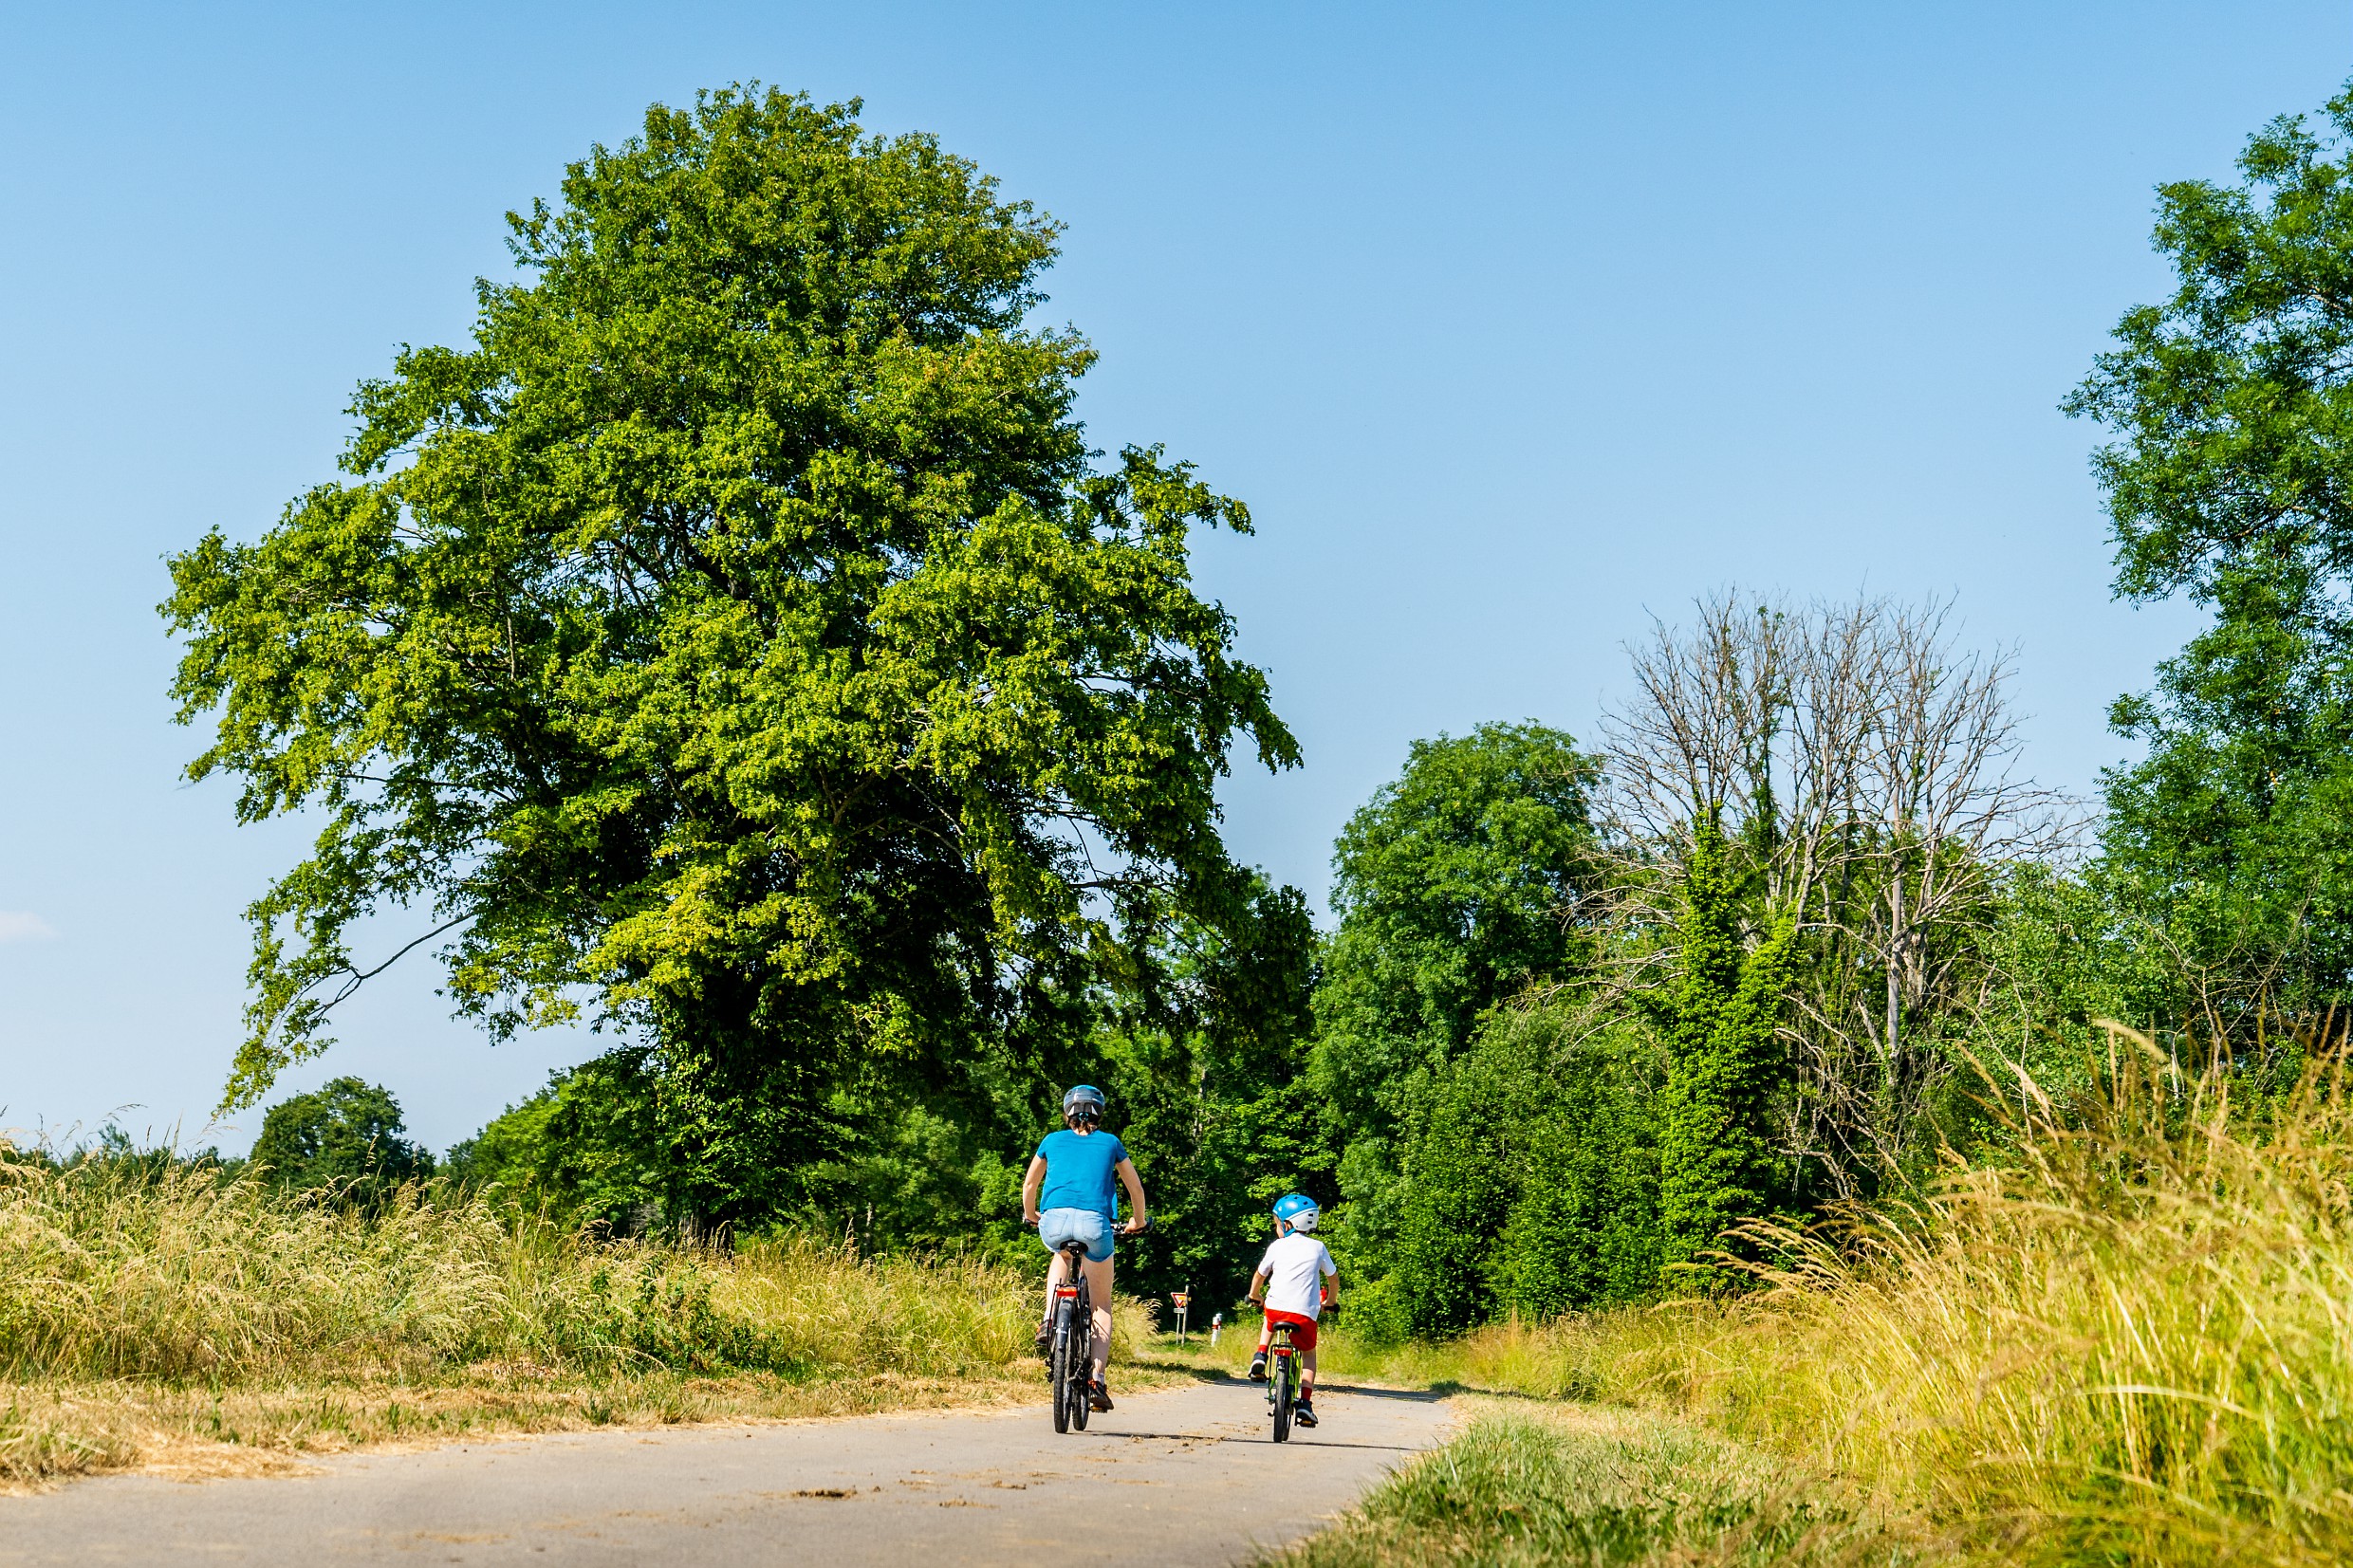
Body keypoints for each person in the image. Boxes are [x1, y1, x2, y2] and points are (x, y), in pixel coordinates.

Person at [1022, 1083, 1148, 1412]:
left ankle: (1050, 1319)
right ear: (1099, 1114)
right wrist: (1138, 1221)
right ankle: (1097, 1378)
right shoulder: (1111, 1143)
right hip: (1096, 1224)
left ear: (1066, 1113)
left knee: (1060, 1254)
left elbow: (1031, 1184)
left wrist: (1031, 1214)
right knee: (1101, 1305)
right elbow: (1134, 1186)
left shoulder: (1051, 1140)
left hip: (1054, 1222)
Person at [1247, 1192, 1339, 1428]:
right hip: (1305, 1315)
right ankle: (1305, 1404)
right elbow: (1333, 1278)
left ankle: (1260, 1355)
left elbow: (1260, 1275)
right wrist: (1330, 1302)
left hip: (1277, 1310)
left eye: (1278, 1223)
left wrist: (1254, 1296)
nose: (1277, 1228)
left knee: (1268, 1313)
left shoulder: (1277, 1246)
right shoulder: (1319, 1247)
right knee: (1309, 1356)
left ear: (1287, 1225)